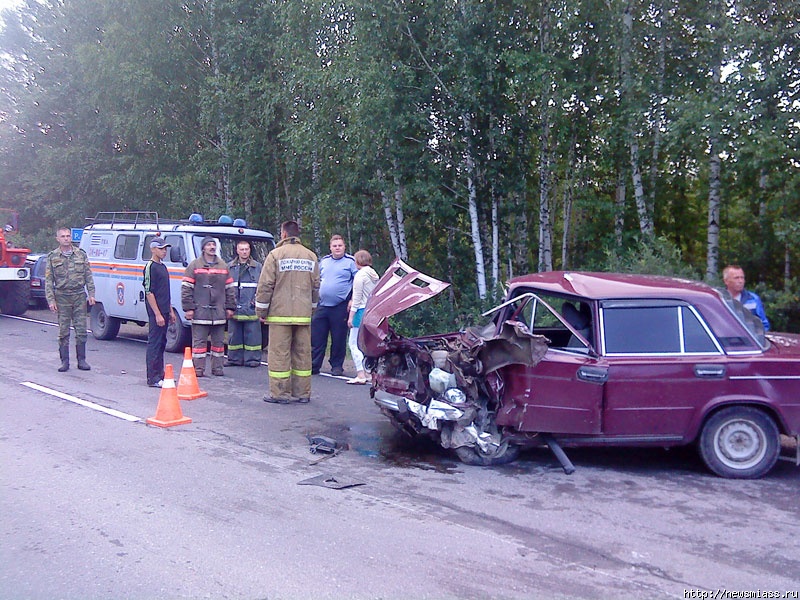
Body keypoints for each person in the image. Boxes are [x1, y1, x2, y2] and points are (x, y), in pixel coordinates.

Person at [255, 220, 320, 404]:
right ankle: (303, 394)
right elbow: (316, 287)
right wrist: (312, 309)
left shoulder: (275, 255)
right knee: (302, 354)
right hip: (303, 315)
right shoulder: (311, 256)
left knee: (279, 354)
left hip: (279, 315)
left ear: (284, 234)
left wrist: (261, 310)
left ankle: (280, 394)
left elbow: (266, 285)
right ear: (297, 234)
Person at [181, 236, 236, 377]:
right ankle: (198, 370)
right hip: (200, 313)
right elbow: (186, 288)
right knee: (199, 344)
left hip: (219, 312)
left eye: (213, 245)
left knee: (218, 344)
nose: (212, 247)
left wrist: (230, 307)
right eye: (209, 245)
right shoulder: (194, 265)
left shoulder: (223, 266)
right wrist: (189, 308)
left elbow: (230, 288)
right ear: (203, 248)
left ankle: (217, 369)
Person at [45, 226, 96, 372]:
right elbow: (49, 281)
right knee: (63, 331)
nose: (66, 238)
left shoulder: (80, 254)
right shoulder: (53, 257)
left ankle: (82, 360)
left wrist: (92, 293)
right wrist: (51, 300)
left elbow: (88, 275)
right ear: (58, 239)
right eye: (63, 236)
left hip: (79, 295)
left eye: (68, 236)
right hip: (62, 297)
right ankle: (65, 361)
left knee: (81, 330)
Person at [311, 234, 358, 376]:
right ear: (330, 248)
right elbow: (317, 280)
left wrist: (352, 300)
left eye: (340, 245)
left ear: (344, 247)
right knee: (317, 337)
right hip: (322, 305)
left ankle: (336, 366)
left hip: (340, 306)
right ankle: (314, 365)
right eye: (334, 246)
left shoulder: (350, 262)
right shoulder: (324, 261)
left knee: (338, 338)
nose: (337, 248)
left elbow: (357, 283)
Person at [225, 240, 263, 367]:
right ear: (237, 251)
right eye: (242, 249)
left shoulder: (258, 267)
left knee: (253, 336)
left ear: (250, 250)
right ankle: (234, 359)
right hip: (234, 308)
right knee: (234, 335)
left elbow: (263, 287)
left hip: (251, 308)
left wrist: (257, 302)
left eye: (246, 249)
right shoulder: (229, 267)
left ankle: (252, 359)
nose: (244, 252)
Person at [143, 239, 174, 387]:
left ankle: (160, 373)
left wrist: (170, 310)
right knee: (154, 343)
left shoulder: (163, 267)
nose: (164, 251)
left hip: (165, 310)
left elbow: (165, 291)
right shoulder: (150, 267)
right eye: (161, 249)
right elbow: (149, 292)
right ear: (153, 249)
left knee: (162, 343)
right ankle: (152, 377)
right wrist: (157, 314)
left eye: (165, 249)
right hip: (156, 312)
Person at [346, 249, 379, 385]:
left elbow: (357, 299)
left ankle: (360, 373)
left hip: (360, 311)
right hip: (371, 310)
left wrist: (350, 317)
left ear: (358, 261)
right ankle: (369, 373)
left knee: (353, 343)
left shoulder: (360, 276)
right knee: (364, 343)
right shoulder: (374, 275)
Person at [723, 264, 770, 331]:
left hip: (748, 339)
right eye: (736, 278)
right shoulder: (719, 299)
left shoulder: (753, 299)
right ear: (726, 281)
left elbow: (764, 325)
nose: (740, 281)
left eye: (742, 278)